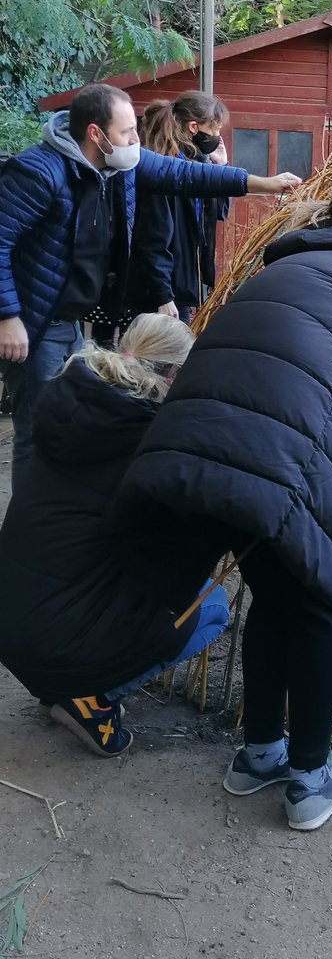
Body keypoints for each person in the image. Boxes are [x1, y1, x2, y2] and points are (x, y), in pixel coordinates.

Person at [114, 185, 332, 830]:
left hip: (200, 440)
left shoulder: (281, 264)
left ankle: (260, 752)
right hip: (285, 445)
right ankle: (312, 782)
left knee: (273, 593)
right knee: (318, 601)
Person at [0, 82, 301, 486]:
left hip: (69, 318)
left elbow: (186, 175)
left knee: (66, 419)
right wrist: (8, 315)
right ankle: (29, 531)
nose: (135, 140)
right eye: (127, 132)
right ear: (96, 133)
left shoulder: (119, 167)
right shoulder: (39, 172)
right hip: (37, 320)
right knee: (37, 430)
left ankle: (57, 510)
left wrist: (263, 183)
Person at [0, 314, 229, 758]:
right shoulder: (148, 440)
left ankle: (63, 681)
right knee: (210, 605)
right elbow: (175, 550)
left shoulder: (69, 403)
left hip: (11, 622)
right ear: (177, 374)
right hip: (51, 639)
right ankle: (88, 700)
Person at [128, 91, 232, 325]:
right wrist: (162, 294)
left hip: (180, 285)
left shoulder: (193, 164)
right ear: (194, 127)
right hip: (162, 291)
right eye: (215, 130)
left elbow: (218, 213)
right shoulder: (166, 169)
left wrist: (220, 166)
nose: (217, 137)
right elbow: (151, 237)